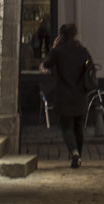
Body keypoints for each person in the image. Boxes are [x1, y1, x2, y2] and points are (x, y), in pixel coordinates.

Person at [39, 23, 95, 168]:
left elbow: (47, 64)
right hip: (80, 95)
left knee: (67, 127)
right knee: (78, 127)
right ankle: (78, 156)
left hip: (64, 95)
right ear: (75, 34)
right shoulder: (82, 51)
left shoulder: (58, 51)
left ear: (61, 35)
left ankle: (74, 153)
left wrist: (52, 47)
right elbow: (91, 68)